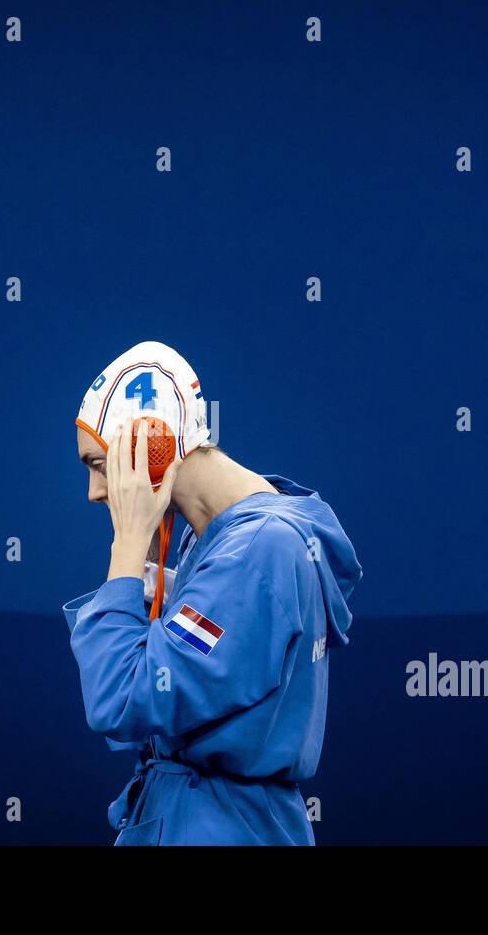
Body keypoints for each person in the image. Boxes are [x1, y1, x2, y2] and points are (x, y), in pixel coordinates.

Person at [62, 341, 363, 845]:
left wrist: (128, 549)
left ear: (150, 446)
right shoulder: (221, 539)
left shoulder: (260, 549)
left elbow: (120, 700)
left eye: (98, 464)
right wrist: (166, 587)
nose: (94, 491)